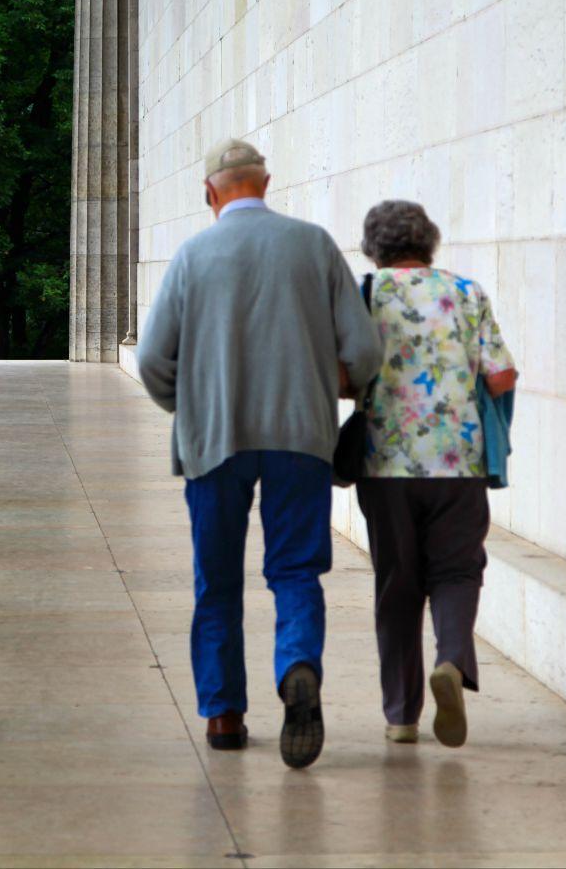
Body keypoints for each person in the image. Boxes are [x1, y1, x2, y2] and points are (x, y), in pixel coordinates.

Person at [137, 138, 384, 769]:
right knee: (295, 571)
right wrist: (336, 383)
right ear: (266, 184)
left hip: (214, 442)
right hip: (300, 438)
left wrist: (188, 406)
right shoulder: (313, 245)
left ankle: (224, 715)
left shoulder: (193, 255)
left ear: (210, 193)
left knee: (215, 580)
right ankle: (297, 664)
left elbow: (151, 359)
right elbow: (363, 351)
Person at [352, 200, 517, 747]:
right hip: (459, 461)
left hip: (385, 461)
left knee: (397, 584)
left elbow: (345, 374)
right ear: (430, 241)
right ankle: (449, 660)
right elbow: (502, 375)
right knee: (457, 571)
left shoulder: (368, 294)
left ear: (375, 248)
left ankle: (401, 716)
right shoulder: (467, 293)